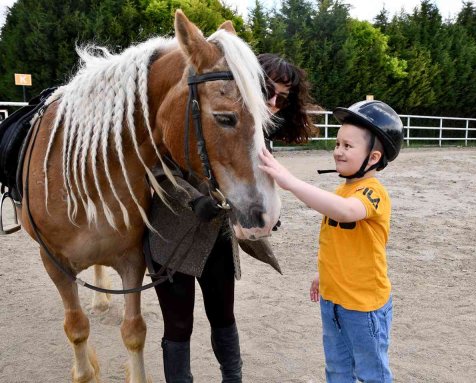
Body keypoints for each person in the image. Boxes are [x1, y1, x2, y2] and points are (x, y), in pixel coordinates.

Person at [145, 54, 315, 383]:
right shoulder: (195, 109)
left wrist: (261, 212)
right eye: (269, 92)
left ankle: (233, 379)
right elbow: (158, 167)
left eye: (282, 98)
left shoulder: (255, 132)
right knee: (179, 326)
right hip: (172, 234)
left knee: (224, 317)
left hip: (217, 237)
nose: (274, 103)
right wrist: (192, 199)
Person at [259, 100, 404, 383]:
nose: (338, 151)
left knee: (372, 373)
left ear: (373, 158)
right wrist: (323, 274)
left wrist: (290, 181)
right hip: (333, 300)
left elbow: (347, 212)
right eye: (337, 143)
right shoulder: (343, 189)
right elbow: (339, 240)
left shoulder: (373, 193)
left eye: (348, 146)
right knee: (337, 370)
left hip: (364, 308)